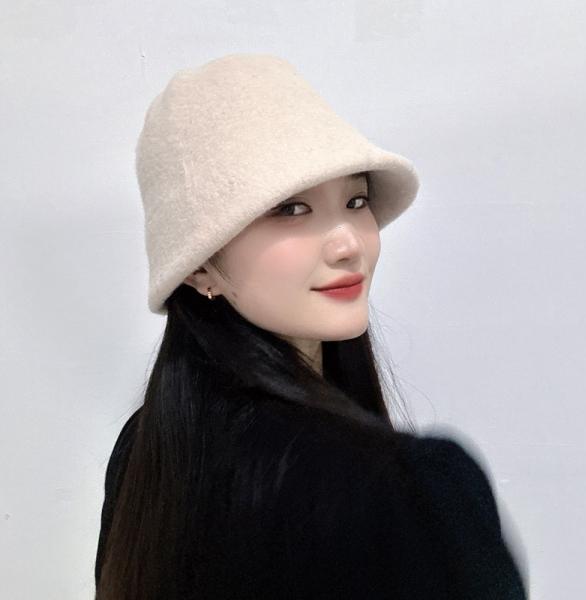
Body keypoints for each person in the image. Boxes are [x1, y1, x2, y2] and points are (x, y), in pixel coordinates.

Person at [94, 53, 528, 599]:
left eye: (356, 200)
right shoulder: (414, 488)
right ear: (199, 268)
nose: (348, 243)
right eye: (291, 209)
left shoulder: (148, 454)